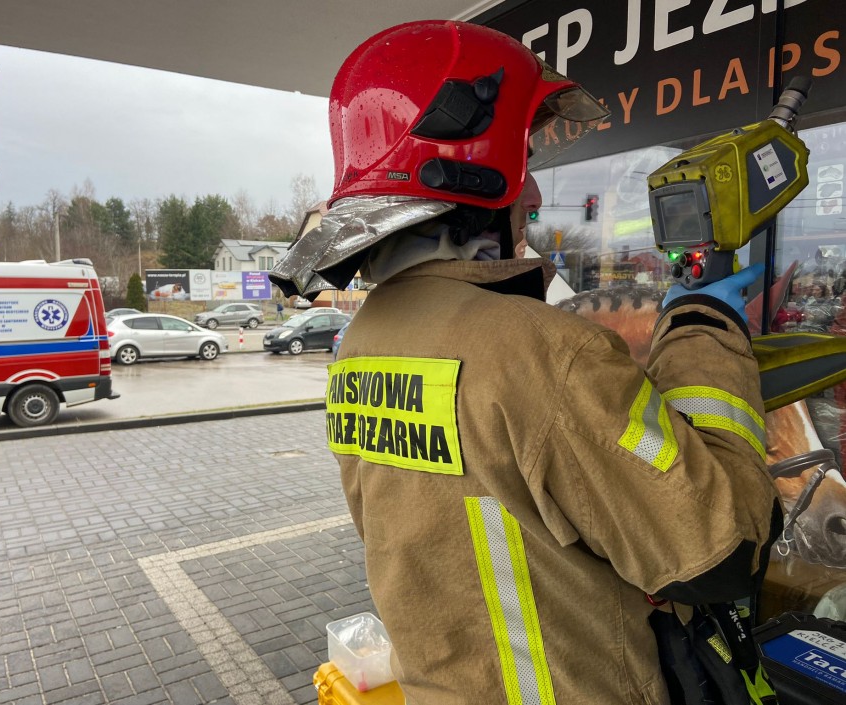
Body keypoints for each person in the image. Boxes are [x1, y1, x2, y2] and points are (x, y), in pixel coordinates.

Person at [271, 20, 780, 705]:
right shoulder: (541, 349)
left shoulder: (362, 342)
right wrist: (702, 324)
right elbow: (721, 551)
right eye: (525, 163)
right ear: (473, 175)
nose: (535, 195)